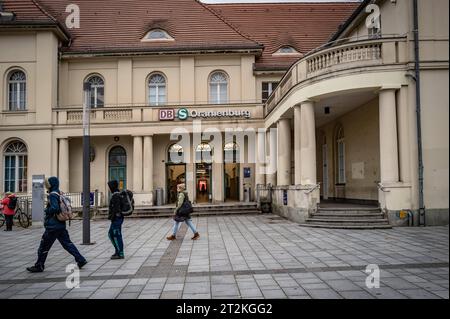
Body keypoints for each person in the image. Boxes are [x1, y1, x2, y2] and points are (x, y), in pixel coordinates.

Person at [26, 177, 87, 273]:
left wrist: (47, 210)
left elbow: (55, 208)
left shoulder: (53, 195)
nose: (47, 185)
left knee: (44, 246)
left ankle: (39, 265)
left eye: (48, 183)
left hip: (52, 226)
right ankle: (80, 259)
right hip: (60, 225)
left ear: (51, 184)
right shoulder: (59, 192)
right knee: (67, 244)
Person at [108, 180, 125, 259]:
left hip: (117, 219)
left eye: (110, 186)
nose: (109, 188)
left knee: (116, 235)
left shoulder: (116, 195)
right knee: (111, 234)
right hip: (117, 218)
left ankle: (120, 253)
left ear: (112, 187)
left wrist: (113, 216)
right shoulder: (118, 194)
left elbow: (116, 209)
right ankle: (117, 251)